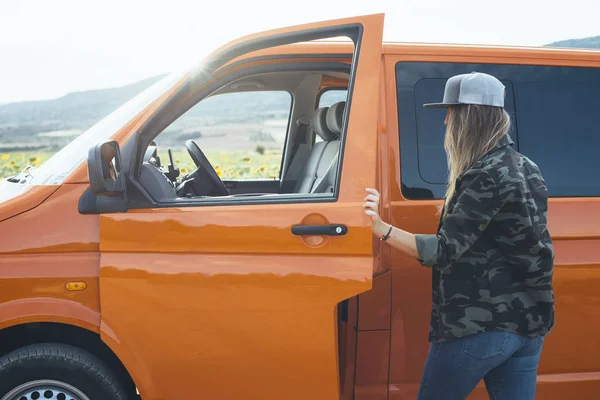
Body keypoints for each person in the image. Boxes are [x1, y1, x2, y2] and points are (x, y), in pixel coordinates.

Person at [363, 72, 555, 400]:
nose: (445, 122)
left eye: (450, 113)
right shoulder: (525, 166)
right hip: (527, 326)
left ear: (469, 118)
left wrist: (381, 228)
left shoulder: (486, 175)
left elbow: (443, 251)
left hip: (478, 328)